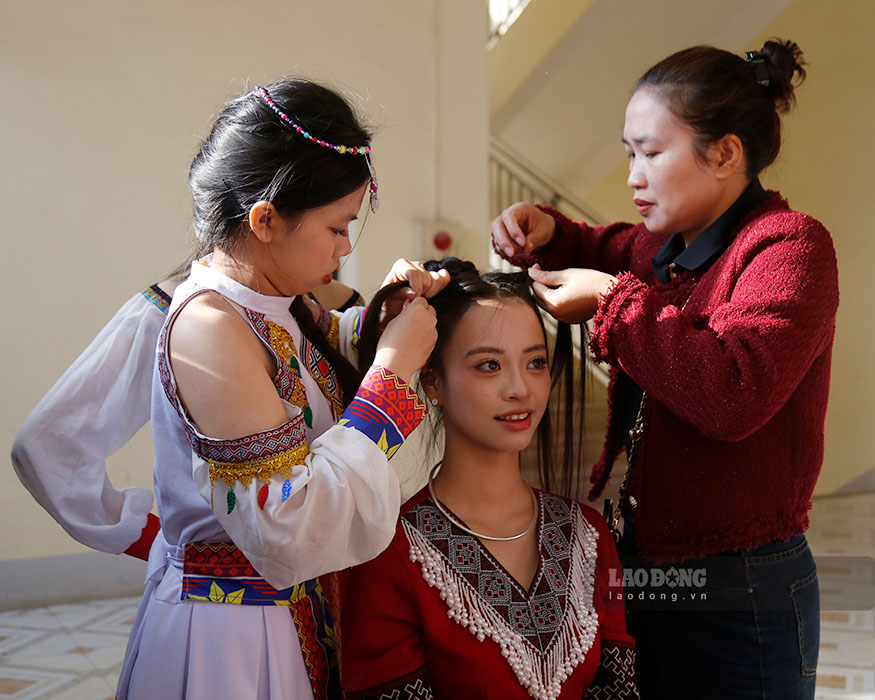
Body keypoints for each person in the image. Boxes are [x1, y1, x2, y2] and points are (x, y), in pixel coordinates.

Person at [491, 40, 838, 699]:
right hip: (649, 563)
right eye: (628, 153)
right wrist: (542, 228)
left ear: (725, 154)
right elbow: (604, 245)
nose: (632, 175)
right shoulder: (665, 246)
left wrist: (611, 302)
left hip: (742, 582)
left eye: (650, 152)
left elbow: (736, 392)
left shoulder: (788, 246)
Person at [113, 78, 449, 700]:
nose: (348, 248)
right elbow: (284, 521)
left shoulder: (274, 304)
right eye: (337, 227)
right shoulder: (210, 328)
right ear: (265, 220)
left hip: (294, 612)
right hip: (235, 634)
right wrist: (395, 371)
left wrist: (382, 316)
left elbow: (314, 376)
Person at [341, 259, 638, 700]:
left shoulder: (589, 536)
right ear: (433, 382)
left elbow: (618, 689)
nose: (521, 388)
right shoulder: (388, 552)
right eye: (488, 366)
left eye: (535, 362)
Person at [11, 262, 364, 562]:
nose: (343, 247)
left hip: (323, 593)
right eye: (333, 225)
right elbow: (46, 445)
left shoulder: (309, 306)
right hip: (232, 606)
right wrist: (154, 542)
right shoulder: (178, 313)